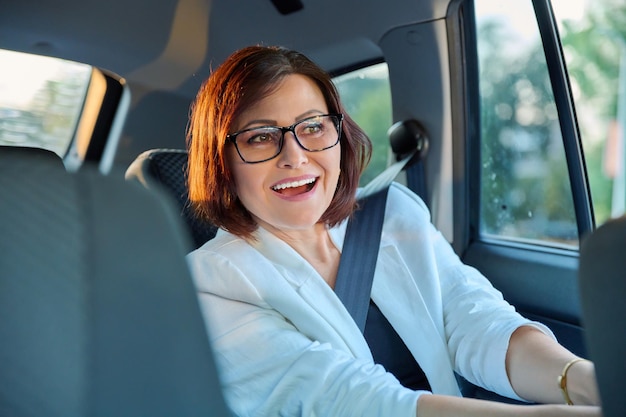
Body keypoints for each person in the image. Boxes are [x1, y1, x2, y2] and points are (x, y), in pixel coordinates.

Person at [185, 45, 601, 417]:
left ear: (339, 136)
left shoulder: (391, 212)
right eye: (260, 137)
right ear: (221, 161)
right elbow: (343, 399)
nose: (295, 156)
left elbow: (472, 317)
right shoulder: (207, 284)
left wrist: (581, 381)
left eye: (313, 127)